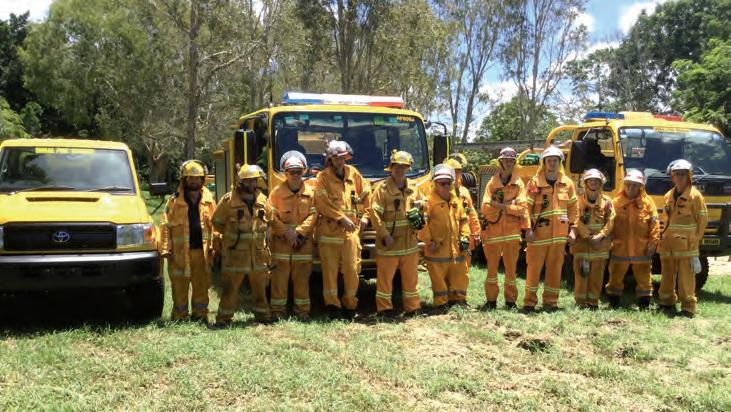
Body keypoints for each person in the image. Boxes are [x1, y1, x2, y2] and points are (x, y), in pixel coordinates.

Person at [314, 140, 371, 320]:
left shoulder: (353, 173)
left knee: (352, 270)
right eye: (337, 158)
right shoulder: (322, 178)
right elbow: (321, 203)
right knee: (329, 272)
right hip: (329, 233)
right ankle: (332, 307)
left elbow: (367, 194)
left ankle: (350, 306)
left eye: (343, 158)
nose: (340, 161)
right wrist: (340, 218)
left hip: (351, 233)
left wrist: (366, 217)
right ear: (330, 159)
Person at [211, 164, 272, 327]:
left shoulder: (263, 199)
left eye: (254, 180)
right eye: (247, 181)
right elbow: (216, 222)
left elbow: (270, 219)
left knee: (260, 288)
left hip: (257, 254)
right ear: (240, 182)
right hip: (235, 254)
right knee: (230, 288)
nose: (251, 184)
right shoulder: (228, 201)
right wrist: (231, 235)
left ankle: (263, 315)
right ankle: (224, 319)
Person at [523, 146, 578, 312]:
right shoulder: (534, 183)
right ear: (544, 162)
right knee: (533, 270)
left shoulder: (567, 183)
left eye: (555, 160)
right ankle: (529, 303)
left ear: (559, 162)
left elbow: (574, 209)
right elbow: (526, 208)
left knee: (555, 271)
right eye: (549, 160)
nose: (552, 163)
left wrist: (573, 230)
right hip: (538, 236)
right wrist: (527, 229)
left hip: (559, 238)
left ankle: (551, 302)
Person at [159, 160, 216, 322]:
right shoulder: (174, 201)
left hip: (202, 253)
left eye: (197, 178)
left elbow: (215, 224)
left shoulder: (209, 201)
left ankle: (200, 315)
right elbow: (165, 225)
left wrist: (215, 246)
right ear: (184, 179)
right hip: (179, 254)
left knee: (201, 285)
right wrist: (165, 248)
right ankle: (180, 316)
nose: (193, 181)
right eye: (190, 178)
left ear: (202, 180)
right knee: (179, 285)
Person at [369, 151, 424, 318]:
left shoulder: (414, 187)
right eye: (397, 167)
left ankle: (412, 308)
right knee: (385, 280)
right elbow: (374, 214)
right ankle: (384, 309)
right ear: (391, 168)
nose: (400, 170)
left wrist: (422, 206)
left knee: (411, 279)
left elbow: (424, 205)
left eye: (403, 167)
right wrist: (385, 235)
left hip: (410, 244)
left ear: (408, 168)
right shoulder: (382, 189)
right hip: (389, 244)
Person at [267, 152, 318, 320]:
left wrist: (299, 233)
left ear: (304, 172)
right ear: (285, 173)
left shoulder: (311, 193)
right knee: (278, 281)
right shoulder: (276, 193)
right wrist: (287, 232)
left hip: (302, 245)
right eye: (292, 172)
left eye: (298, 172)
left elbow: (314, 215)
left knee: (302, 281)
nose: (295, 175)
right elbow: (270, 216)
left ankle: (302, 312)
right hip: (281, 245)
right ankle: (277, 312)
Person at [480, 147, 529, 310]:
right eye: (506, 160)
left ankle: (510, 302)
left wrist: (499, 205)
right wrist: (510, 205)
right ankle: (491, 301)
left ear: (514, 163)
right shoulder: (492, 184)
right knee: (491, 271)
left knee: (511, 271)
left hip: (512, 235)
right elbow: (485, 208)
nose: (508, 163)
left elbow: (522, 209)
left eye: (511, 161)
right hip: (493, 234)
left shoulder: (519, 184)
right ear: (500, 162)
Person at [658, 159, 708, 317]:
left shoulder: (695, 197)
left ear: (689, 176)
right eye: (676, 174)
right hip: (668, 245)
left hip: (687, 246)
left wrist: (695, 241)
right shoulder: (668, 196)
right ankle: (666, 303)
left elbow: (702, 220)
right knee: (667, 275)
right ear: (672, 177)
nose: (679, 177)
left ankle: (688, 307)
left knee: (686, 277)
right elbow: (665, 220)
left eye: (683, 174)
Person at [419, 164, 471, 312]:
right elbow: (422, 225)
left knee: (459, 275)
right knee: (438, 278)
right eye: (442, 183)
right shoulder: (428, 203)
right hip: (436, 250)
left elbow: (463, 221)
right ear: (435, 184)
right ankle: (441, 303)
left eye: (448, 183)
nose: (446, 186)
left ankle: (459, 300)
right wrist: (429, 241)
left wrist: (465, 237)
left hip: (456, 249)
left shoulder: (455, 201)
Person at [605, 169, 659, 310]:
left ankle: (644, 302)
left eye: (635, 185)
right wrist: (608, 241)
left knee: (644, 277)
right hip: (619, 248)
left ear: (640, 186)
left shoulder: (648, 203)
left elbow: (654, 224)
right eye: (628, 184)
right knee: (615, 275)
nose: (631, 187)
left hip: (641, 249)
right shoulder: (615, 202)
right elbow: (608, 224)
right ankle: (613, 301)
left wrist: (653, 244)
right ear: (625, 184)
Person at [572, 169, 615, 309]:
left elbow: (611, 221)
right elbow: (575, 220)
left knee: (597, 276)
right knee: (581, 274)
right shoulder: (577, 201)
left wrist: (600, 236)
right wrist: (589, 236)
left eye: (596, 180)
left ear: (600, 183)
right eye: (590, 180)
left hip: (600, 246)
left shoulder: (607, 202)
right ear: (585, 183)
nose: (593, 183)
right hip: (582, 244)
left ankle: (593, 302)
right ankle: (580, 302)